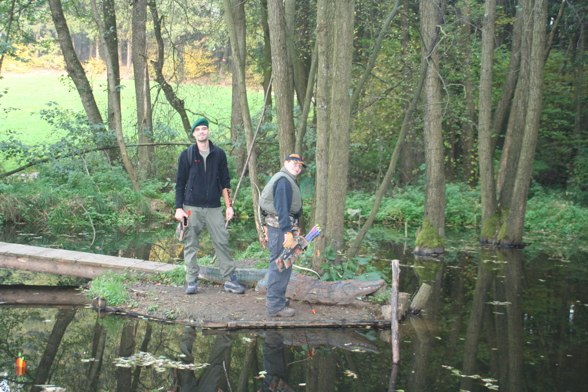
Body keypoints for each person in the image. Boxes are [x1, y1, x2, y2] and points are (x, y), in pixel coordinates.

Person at [175, 117, 245, 295]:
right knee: (190, 243)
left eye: (204, 129)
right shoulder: (187, 155)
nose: (201, 132)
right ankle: (191, 280)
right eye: (197, 130)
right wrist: (178, 208)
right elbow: (180, 183)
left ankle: (230, 279)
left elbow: (225, 182)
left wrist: (229, 206)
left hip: (214, 207)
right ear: (193, 134)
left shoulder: (219, 154)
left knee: (222, 241)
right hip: (191, 207)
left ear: (208, 131)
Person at [259, 153, 306, 317]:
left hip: (280, 228)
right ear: (285, 163)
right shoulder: (284, 181)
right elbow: (281, 208)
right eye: (294, 163)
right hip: (280, 230)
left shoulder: (285, 179)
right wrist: (287, 231)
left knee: (283, 264)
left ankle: (277, 299)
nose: (297, 167)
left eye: (300, 165)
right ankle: (274, 306)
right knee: (280, 265)